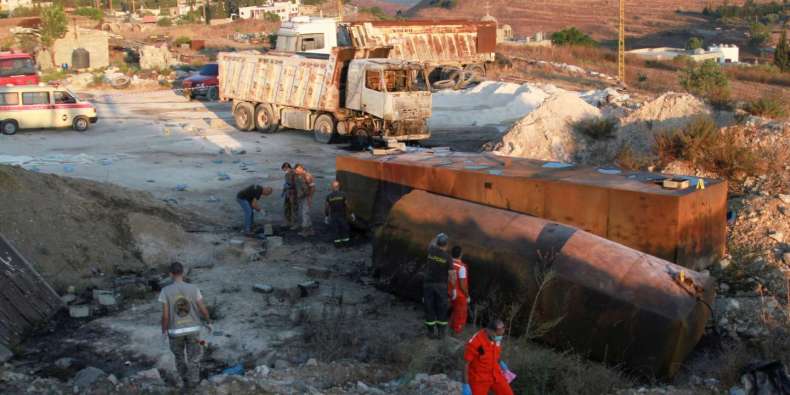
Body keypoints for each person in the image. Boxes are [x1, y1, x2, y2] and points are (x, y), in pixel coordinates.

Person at [159, 262, 212, 389]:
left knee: (179, 357)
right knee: (194, 358)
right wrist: (209, 322)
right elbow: (203, 309)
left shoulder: (165, 291)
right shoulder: (194, 288)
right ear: (183, 273)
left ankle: (184, 381)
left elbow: (165, 316)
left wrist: (164, 331)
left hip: (175, 332)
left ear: (171, 274)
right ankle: (194, 384)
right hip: (194, 330)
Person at [462, 319, 514, 395]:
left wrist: (502, 364)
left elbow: (495, 353)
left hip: (495, 374)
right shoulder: (476, 342)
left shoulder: (496, 337)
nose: (499, 338)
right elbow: (465, 363)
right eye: (498, 335)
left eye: (501, 335)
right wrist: (465, 384)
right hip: (479, 378)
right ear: (489, 331)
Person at [423, 233, 453, 339]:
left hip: (428, 284)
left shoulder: (431, 251)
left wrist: (437, 236)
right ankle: (441, 333)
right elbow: (452, 276)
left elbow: (431, 243)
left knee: (429, 307)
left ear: (437, 243)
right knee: (441, 308)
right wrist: (452, 289)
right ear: (446, 245)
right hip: (441, 286)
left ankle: (431, 332)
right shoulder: (448, 258)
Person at [324, 180, 354, 245]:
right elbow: (348, 205)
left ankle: (337, 244)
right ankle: (346, 242)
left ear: (332, 187)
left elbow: (327, 207)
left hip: (333, 216)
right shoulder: (343, 194)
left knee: (335, 229)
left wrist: (326, 216)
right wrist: (351, 214)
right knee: (344, 228)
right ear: (339, 187)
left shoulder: (329, 196)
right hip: (342, 215)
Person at [449, 246, 470, 335]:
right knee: (460, 315)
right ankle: (456, 333)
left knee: (453, 313)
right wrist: (467, 295)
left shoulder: (448, 263)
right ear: (461, 255)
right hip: (459, 295)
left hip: (449, 292)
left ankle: (451, 330)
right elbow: (462, 284)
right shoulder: (461, 267)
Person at [294, 164, 315, 236]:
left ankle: (305, 231)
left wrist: (310, 198)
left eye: (297, 170)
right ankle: (310, 230)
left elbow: (312, 188)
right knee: (306, 213)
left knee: (305, 213)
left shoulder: (307, 176)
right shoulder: (300, 175)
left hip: (306, 197)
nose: (296, 172)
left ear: (301, 169)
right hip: (303, 196)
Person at [281, 162, 298, 230]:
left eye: (284, 169)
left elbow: (295, 183)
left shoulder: (293, 173)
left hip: (293, 193)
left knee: (293, 209)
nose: (284, 171)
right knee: (286, 208)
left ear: (286, 167)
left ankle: (295, 224)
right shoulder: (287, 174)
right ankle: (288, 222)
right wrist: (284, 191)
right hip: (287, 193)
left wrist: (289, 186)